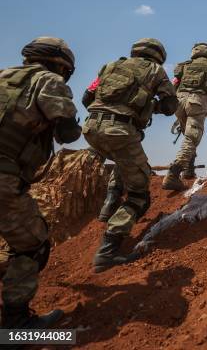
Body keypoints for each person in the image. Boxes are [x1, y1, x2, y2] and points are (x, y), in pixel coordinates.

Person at [0, 37, 81, 328]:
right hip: (5, 178)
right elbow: (68, 134)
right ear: (60, 64)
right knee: (32, 245)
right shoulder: (48, 81)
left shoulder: (3, 76)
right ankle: (16, 328)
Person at [82, 38, 178, 273]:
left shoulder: (110, 66)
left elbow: (87, 98)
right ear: (158, 55)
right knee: (139, 196)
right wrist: (154, 100)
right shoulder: (156, 70)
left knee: (122, 162)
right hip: (121, 131)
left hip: (91, 129)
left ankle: (108, 206)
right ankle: (108, 252)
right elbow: (169, 107)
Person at [162, 42, 207, 190]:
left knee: (188, 135)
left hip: (179, 102)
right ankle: (174, 172)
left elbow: (174, 84)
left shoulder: (184, 66)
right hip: (197, 102)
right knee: (192, 137)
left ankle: (188, 170)